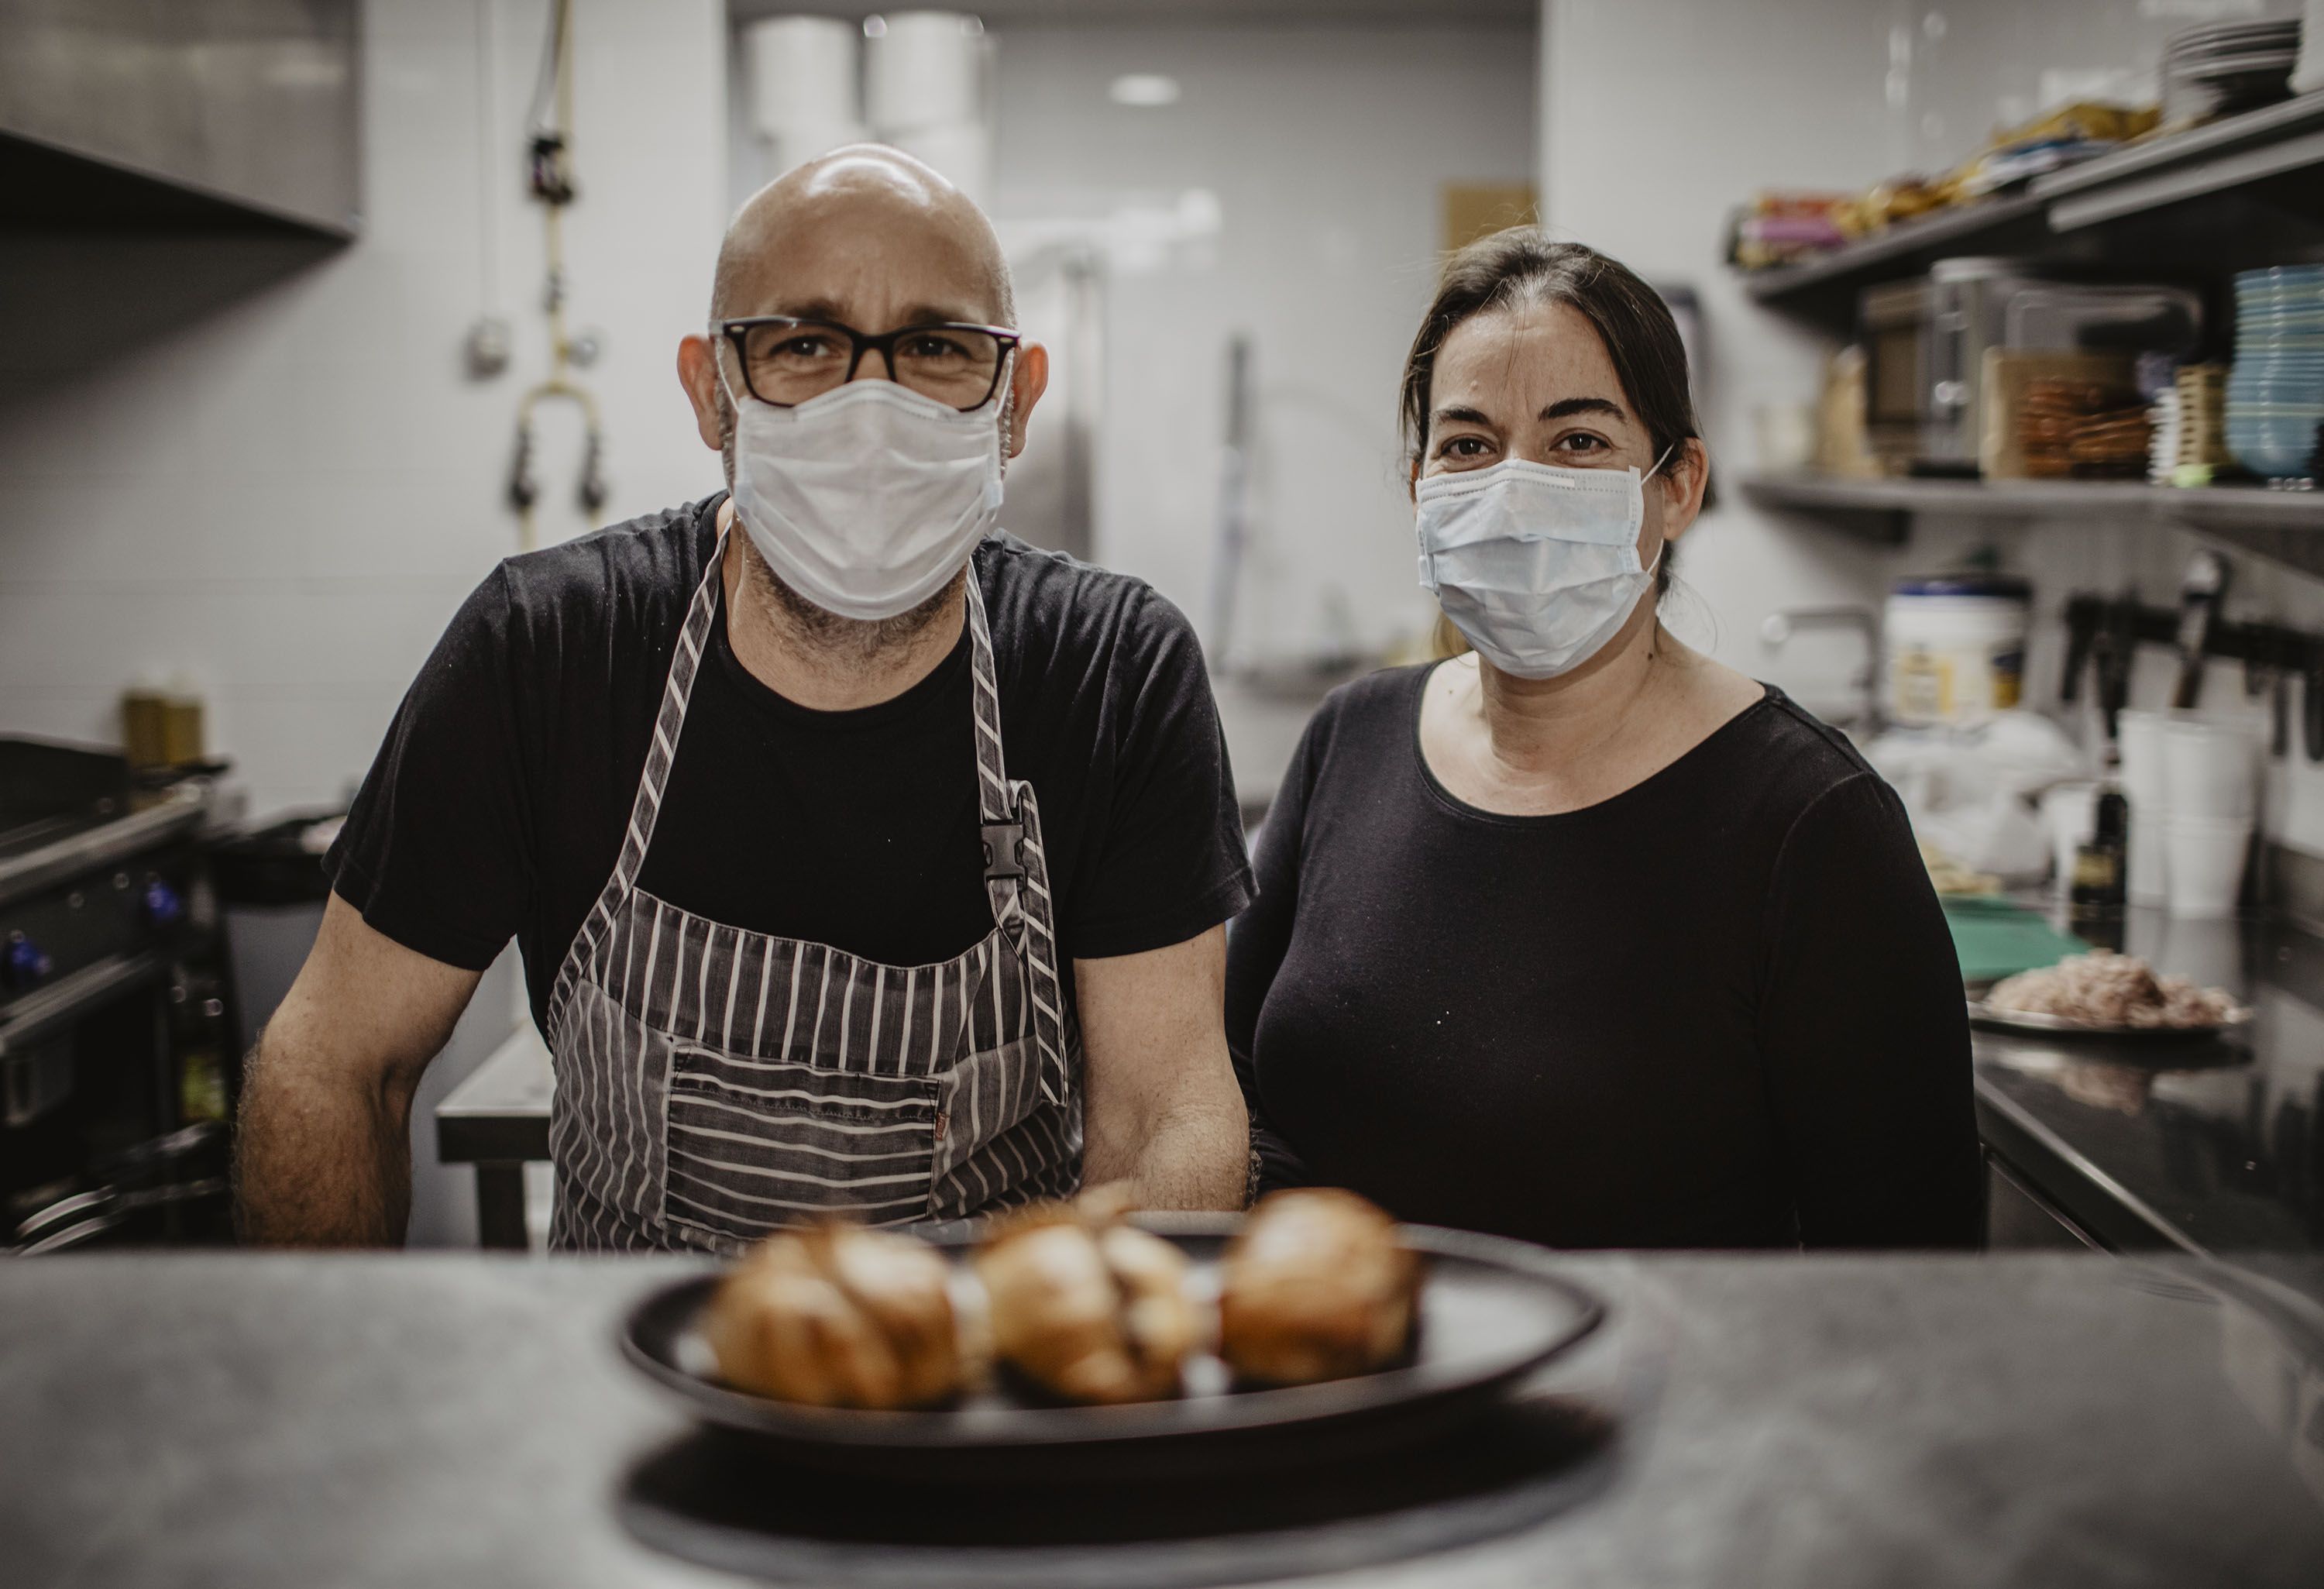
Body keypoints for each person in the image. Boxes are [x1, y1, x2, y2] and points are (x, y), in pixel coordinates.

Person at [237, 147, 1255, 1250]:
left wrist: (1117, 1384)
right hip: (616, 1390)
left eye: (935, 348)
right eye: (805, 346)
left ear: (1015, 401)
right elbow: (336, 1062)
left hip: (978, 1391)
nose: (874, 406)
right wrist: (321, 1399)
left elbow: (1168, 1119)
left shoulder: (1111, 669)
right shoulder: (550, 648)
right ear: (710, 390)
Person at [1225, 232, 1982, 1250]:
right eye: (1467, 444)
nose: (1512, 490)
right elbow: (1229, 1074)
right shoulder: (1350, 739)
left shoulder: (1810, 823)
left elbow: (1910, 1270)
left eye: (1577, 442)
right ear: (1419, 490)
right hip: (1338, 1373)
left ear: (1678, 486)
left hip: (1657, 1402)